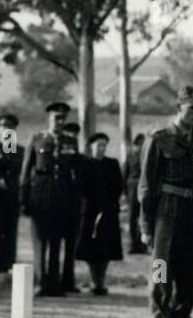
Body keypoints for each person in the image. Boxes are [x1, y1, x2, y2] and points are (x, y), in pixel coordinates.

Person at [139, 86, 193, 318]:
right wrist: (146, 226)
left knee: (189, 273)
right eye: (192, 108)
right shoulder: (159, 138)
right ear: (178, 107)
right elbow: (147, 185)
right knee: (161, 270)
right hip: (166, 214)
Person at [21, 102, 72, 296]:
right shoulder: (37, 139)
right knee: (41, 242)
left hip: (61, 198)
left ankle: (54, 283)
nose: (59, 122)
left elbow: (73, 171)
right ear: (48, 119)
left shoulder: (69, 142)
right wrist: (24, 199)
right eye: (55, 118)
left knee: (56, 242)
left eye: (62, 118)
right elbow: (26, 172)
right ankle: (41, 282)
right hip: (40, 197)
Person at [76, 131, 124, 294]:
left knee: (105, 247)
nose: (101, 149)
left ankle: (100, 282)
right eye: (99, 145)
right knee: (90, 247)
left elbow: (118, 186)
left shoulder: (112, 163)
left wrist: (109, 203)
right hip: (89, 210)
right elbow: (81, 187)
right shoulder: (85, 164)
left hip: (108, 210)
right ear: (91, 146)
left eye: (104, 145)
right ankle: (94, 279)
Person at [0, 112, 23, 272]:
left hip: (12, 197)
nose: (7, 130)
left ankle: (9, 263)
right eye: (4, 126)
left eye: (10, 127)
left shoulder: (20, 151)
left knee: (10, 232)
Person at [59, 122, 85, 292]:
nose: (72, 137)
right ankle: (50, 279)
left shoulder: (80, 159)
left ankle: (68, 280)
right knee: (54, 246)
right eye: (69, 134)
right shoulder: (59, 157)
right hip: (58, 204)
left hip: (73, 206)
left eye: (75, 135)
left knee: (70, 246)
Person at [125, 132, 147, 254]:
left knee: (143, 217)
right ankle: (134, 244)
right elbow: (125, 173)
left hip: (142, 191)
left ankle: (142, 245)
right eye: (138, 144)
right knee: (132, 219)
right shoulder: (131, 155)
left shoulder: (147, 156)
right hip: (133, 191)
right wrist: (125, 192)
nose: (139, 147)